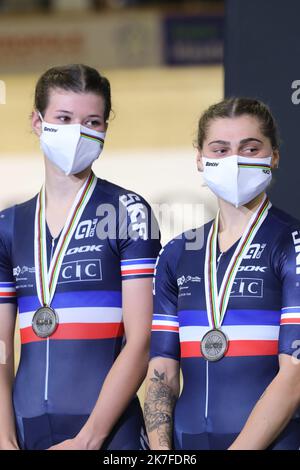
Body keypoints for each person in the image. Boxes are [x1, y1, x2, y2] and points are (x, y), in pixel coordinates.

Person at [0, 64, 161, 450]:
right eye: (64, 118)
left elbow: (141, 341)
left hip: (108, 434)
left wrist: (90, 439)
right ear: (37, 122)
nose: (78, 132)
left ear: (105, 127)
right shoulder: (9, 225)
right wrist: (5, 439)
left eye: (92, 121)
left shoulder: (128, 211)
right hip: (24, 431)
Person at [144, 97, 300, 450]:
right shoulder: (177, 252)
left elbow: (295, 374)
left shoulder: (292, 242)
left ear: (274, 155)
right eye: (220, 149)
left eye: (250, 148)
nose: (235, 161)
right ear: (200, 159)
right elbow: (162, 371)